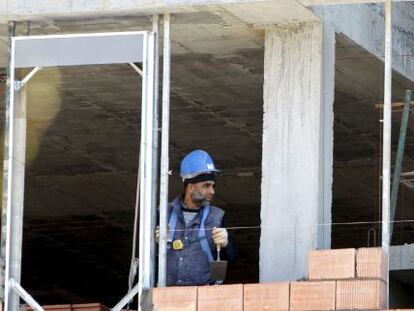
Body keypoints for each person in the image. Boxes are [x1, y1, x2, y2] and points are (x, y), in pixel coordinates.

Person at [157, 149, 236, 286]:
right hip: (166, 296)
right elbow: (145, 261)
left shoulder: (217, 216)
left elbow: (232, 260)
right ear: (191, 187)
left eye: (212, 186)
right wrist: (155, 243)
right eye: (206, 186)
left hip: (204, 298)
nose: (212, 191)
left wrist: (226, 245)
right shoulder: (164, 214)